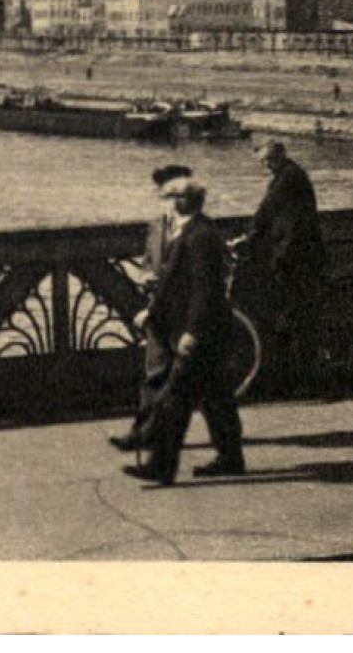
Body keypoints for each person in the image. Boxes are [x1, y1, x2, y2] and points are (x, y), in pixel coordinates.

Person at [121, 176, 243, 484]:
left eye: (178, 197)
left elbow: (205, 290)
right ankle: (229, 458)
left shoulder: (198, 236)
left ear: (191, 201)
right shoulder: (194, 231)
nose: (172, 202)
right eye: (171, 196)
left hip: (202, 331)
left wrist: (193, 331)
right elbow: (173, 283)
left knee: (177, 397)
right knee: (215, 398)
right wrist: (152, 311)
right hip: (204, 329)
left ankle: (155, 456)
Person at [108, 164, 193, 454]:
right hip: (160, 308)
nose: (169, 198)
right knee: (156, 373)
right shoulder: (157, 224)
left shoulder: (198, 229)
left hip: (186, 313)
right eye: (165, 192)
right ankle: (143, 434)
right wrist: (145, 276)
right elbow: (148, 260)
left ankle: (229, 451)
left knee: (207, 388)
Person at [235, 141, 328, 345]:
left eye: (270, 159)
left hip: (298, 245)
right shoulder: (283, 175)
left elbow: (268, 208)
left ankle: (295, 338)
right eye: (263, 161)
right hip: (289, 241)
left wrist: (248, 236)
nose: (267, 164)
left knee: (286, 288)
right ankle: (290, 333)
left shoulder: (290, 175)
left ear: (282, 155)